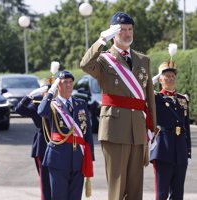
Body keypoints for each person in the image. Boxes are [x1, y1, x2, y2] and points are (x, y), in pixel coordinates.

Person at [80, 12, 156, 200]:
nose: (127, 34)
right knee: (117, 185)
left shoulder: (143, 60)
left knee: (135, 186)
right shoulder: (104, 59)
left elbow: (149, 97)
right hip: (115, 128)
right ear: (114, 33)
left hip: (137, 129)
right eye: (122, 30)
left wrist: (153, 126)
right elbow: (85, 64)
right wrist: (101, 40)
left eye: (130, 30)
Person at [37, 70, 94, 200]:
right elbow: (41, 111)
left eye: (70, 82)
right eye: (64, 82)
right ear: (58, 85)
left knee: (75, 197)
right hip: (58, 158)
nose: (69, 85)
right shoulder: (52, 105)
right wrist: (51, 91)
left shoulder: (81, 104)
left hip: (78, 158)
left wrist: (90, 157)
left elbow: (88, 132)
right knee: (59, 196)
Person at [150, 46, 191, 200]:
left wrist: (187, 151)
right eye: (166, 76)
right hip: (163, 149)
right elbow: (140, 94)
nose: (171, 78)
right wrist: (151, 83)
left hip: (180, 150)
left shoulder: (183, 99)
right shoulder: (156, 98)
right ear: (160, 80)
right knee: (161, 194)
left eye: (173, 76)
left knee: (178, 194)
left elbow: (186, 125)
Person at [15, 78, 51, 200]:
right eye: (47, 89)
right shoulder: (37, 104)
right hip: (43, 146)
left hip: (61, 146)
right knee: (45, 182)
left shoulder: (62, 103)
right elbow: (19, 109)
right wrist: (30, 96)